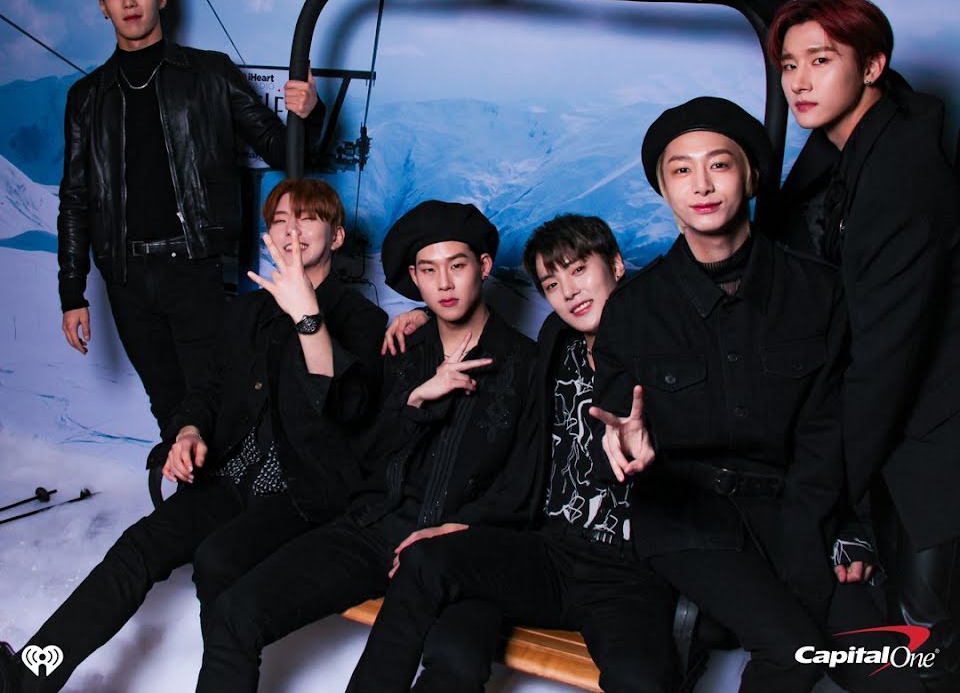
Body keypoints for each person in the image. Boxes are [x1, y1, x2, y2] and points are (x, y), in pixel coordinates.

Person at [0, 179, 385, 693]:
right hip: (228, 476)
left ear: (336, 237)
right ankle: (29, 674)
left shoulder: (363, 319)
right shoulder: (245, 312)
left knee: (219, 558)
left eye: (307, 217)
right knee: (138, 546)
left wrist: (307, 319)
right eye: (279, 220)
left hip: (300, 493)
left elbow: (348, 411)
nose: (292, 230)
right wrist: (188, 432)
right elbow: (206, 391)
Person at [687, 0, 960, 689]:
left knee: (921, 651)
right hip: (889, 423)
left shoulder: (900, 179)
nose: (799, 82)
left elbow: (885, 361)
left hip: (932, 441)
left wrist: (844, 501)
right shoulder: (857, 134)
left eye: (819, 62)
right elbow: (835, 52)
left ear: (873, 68)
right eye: (788, 65)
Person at [195, 200, 539, 692]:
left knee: (455, 661)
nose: (443, 283)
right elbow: (363, 450)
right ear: (414, 279)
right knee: (234, 614)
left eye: (457, 266)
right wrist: (416, 402)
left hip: (460, 550)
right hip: (375, 529)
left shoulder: (526, 364)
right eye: (428, 270)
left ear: (483, 267)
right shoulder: (401, 350)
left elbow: (524, 483)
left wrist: (458, 531)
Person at [347, 213, 683, 693]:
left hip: (625, 572)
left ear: (616, 266)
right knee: (425, 562)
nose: (570, 292)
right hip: (547, 552)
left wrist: (654, 456)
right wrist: (423, 314)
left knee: (645, 682)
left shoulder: (668, 356)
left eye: (579, 270)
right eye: (552, 283)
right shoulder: (556, 345)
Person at [590, 97, 848, 693]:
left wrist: (840, 533)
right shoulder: (633, 310)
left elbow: (832, 429)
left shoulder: (819, 292)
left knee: (896, 664)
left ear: (751, 176)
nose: (701, 185)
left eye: (719, 165)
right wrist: (626, 451)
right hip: (684, 521)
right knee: (796, 653)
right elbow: (615, 423)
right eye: (681, 170)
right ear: (663, 189)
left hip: (796, 515)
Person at [58, 0, 325, 431]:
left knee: (214, 407)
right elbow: (75, 199)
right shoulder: (87, 97)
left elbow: (283, 152)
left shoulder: (211, 74)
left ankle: (214, 483)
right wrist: (71, 293)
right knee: (168, 411)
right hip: (125, 278)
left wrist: (309, 113)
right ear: (102, 6)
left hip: (196, 268)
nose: (129, 2)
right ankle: (182, 482)